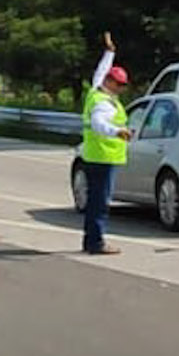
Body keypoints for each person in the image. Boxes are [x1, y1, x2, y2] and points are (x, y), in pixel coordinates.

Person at [78, 35, 131, 256]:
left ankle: (91, 240)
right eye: (118, 84)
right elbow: (100, 125)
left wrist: (109, 52)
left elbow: (100, 71)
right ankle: (96, 242)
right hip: (103, 157)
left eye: (123, 85)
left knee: (94, 201)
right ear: (110, 82)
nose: (120, 89)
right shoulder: (104, 104)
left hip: (94, 155)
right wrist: (117, 131)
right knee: (100, 203)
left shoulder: (96, 91)